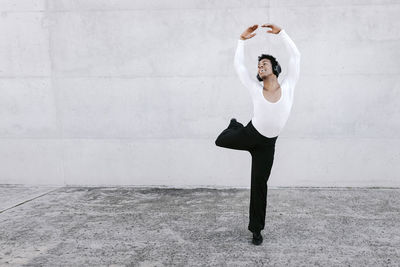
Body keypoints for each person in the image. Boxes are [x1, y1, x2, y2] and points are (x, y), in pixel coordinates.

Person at [215, 23, 301, 245]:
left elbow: (296, 56)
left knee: (259, 186)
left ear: (275, 68)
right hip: (250, 134)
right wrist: (241, 40)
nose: (260, 67)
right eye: (259, 65)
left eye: (264, 64)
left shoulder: (289, 86)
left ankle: (256, 230)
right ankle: (234, 126)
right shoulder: (255, 89)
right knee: (220, 140)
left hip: (267, 146)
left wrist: (282, 33)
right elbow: (239, 67)